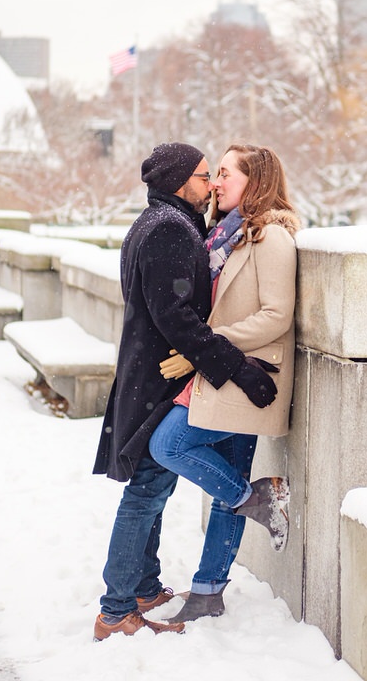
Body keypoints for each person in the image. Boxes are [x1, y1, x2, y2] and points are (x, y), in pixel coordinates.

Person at [92, 142, 279, 640]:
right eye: (203, 175)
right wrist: (233, 365)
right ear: (179, 183)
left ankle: (143, 587)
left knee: (153, 486)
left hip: (148, 374)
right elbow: (176, 317)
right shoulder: (171, 230)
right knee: (147, 492)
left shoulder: (158, 223)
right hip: (158, 378)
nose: (211, 184)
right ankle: (115, 611)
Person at [148, 143, 299, 624]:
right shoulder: (222, 236)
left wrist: (210, 343)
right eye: (213, 174)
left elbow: (277, 316)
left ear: (255, 183)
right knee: (219, 478)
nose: (215, 183)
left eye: (226, 173)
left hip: (250, 373)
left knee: (168, 444)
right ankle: (208, 591)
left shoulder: (271, 238)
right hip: (224, 369)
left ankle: (254, 497)